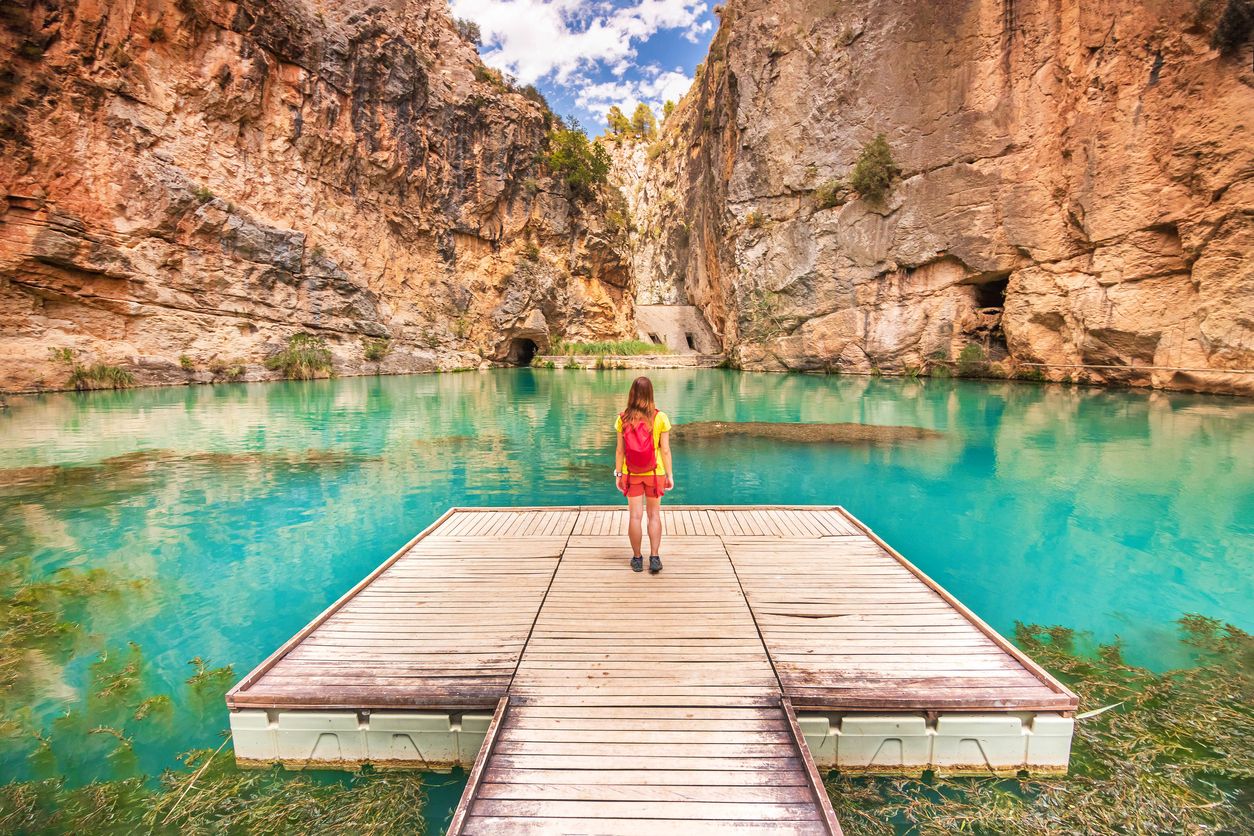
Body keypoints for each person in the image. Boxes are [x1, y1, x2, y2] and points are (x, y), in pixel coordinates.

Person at [614, 376, 674, 573]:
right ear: (651, 394)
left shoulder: (622, 418)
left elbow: (620, 451)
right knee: (654, 515)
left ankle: (637, 558)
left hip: (631, 473)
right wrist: (669, 475)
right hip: (655, 473)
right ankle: (654, 557)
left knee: (635, 516)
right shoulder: (660, 418)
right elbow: (665, 450)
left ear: (632, 393)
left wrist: (618, 474)